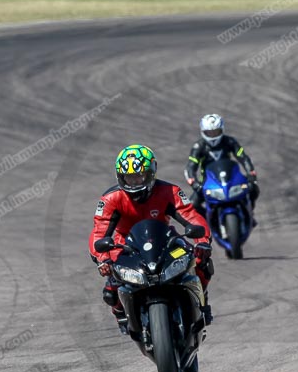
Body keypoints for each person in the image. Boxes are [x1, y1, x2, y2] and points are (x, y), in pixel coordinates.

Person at [89, 144, 214, 334]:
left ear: (151, 172)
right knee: (111, 288)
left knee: (200, 261)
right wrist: (102, 258)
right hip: (125, 246)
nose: (134, 182)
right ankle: (121, 313)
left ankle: (201, 301)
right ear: (120, 177)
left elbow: (191, 216)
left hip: (166, 240)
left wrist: (202, 241)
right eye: (129, 177)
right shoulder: (110, 199)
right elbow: (99, 231)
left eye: (139, 176)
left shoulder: (170, 191)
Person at [183, 114, 259, 221]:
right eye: (209, 133)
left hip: (231, 178)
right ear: (202, 132)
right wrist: (195, 183)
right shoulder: (198, 147)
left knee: (253, 189)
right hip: (207, 183)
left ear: (222, 130)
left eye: (216, 132)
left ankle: (249, 213)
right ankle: (210, 220)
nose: (213, 136)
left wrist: (251, 173)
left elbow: (243, 158)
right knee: (191, 205)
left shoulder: (230, 141)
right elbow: (190, 167)